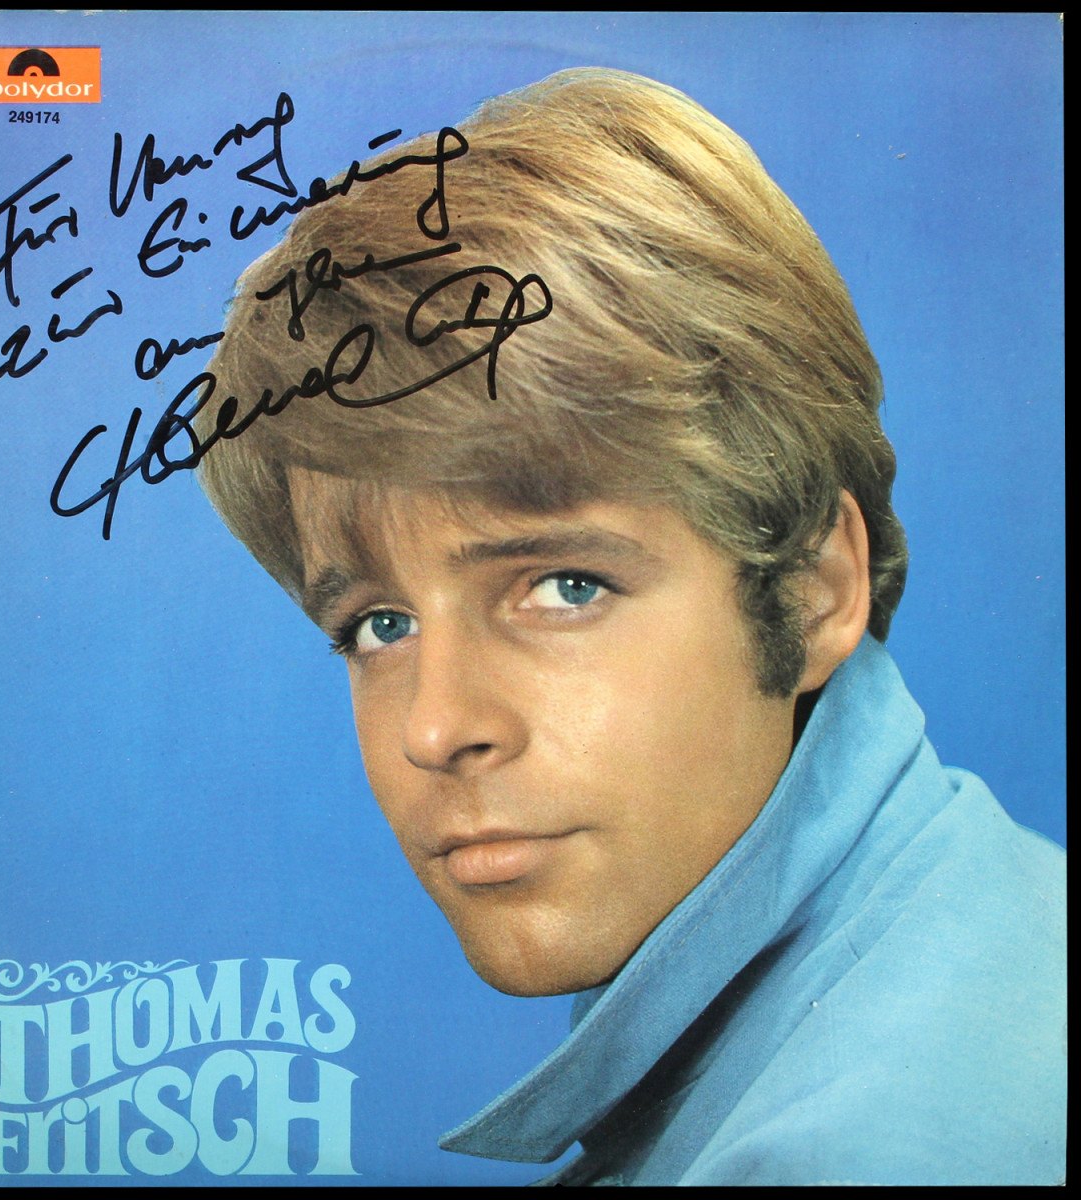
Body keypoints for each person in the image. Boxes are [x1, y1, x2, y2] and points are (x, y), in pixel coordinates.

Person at [194, 68, 1065, 1186]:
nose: (436, 729)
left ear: (814, 588)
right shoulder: (981, 913)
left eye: (565, 587)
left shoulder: (847, 1154)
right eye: (380, 624)